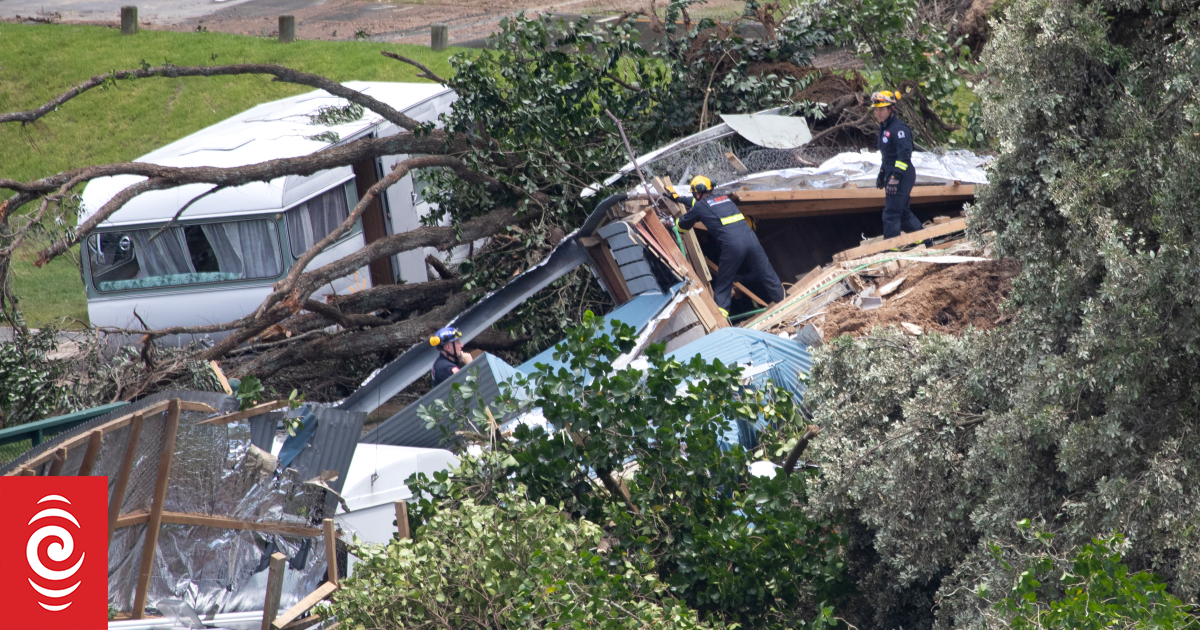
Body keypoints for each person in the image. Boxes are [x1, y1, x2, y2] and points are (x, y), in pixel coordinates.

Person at [672, 175, 784, 318]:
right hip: (752, 240)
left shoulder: (700, 207)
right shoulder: (725, 199)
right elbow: (705, 203)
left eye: (694, 193)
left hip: (733, 246)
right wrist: (679, 198)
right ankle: (784, 300)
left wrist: (675, 223)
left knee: (724, 284)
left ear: (698, 192)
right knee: (768, 274)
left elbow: (682, 227)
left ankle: (721, 319)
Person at [872, 90, 924, 238]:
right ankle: (925, 242)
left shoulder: (899, 129)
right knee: (903, 213)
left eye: (881, 109)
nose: (878, 113)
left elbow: (904, 156)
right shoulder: (884, 128)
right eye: (876, 110)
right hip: (891, 173)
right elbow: (887, 155)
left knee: (891, 213)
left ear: (891, 109)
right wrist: (882, 173)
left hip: (902, 175)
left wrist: (895, 177)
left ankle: (891, 248)